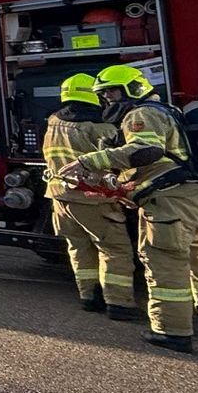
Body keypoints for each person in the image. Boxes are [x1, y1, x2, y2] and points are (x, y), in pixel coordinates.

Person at [76, 63, 198, 353]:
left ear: (131, 89)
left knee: (166, 267)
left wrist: (90, 161)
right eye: (103, 95)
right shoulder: (167, 110)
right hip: (197, 198)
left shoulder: (140, 114)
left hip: (170, 204)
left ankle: (172, 332)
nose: (107, 100)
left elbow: (147, 150)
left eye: (111, 93)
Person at [40, 74, 138, 320]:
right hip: (93, 198)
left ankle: (89, 297)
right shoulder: (101, 127)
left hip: (60, 196)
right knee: (114, 249)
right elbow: (122, 160)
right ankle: (119, 303)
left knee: (78, 247)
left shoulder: (53, 121)